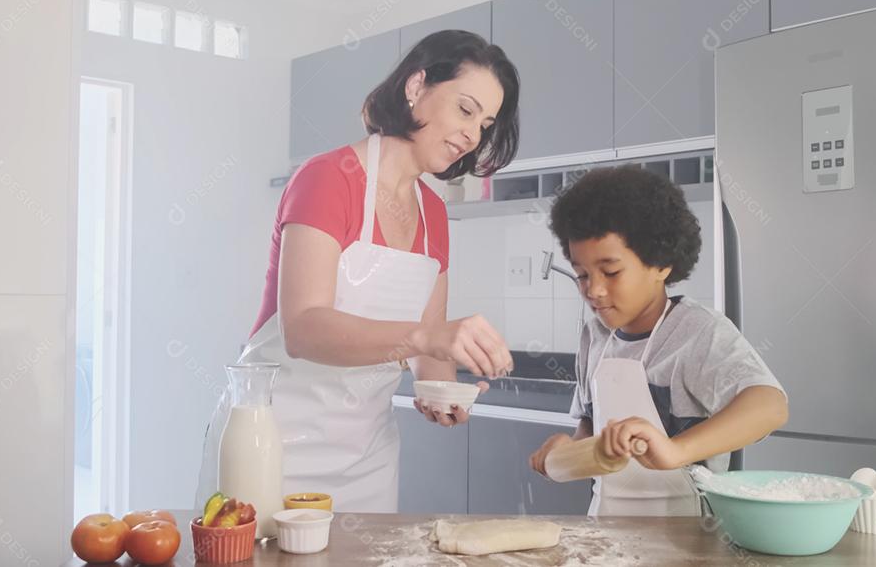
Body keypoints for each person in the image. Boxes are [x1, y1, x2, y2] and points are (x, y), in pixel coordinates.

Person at [199, 30, 521, 513]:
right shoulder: (328, 178)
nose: (474, 135)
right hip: (269, 445)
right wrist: (429, 339)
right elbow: (304, 329)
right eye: (466, 109)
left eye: (487, 123)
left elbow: (428, 349)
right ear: (416, 86)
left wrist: (443, 392)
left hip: (365, 458)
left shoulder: (434, 215)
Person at [528, 165, 789, 516]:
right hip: (608, 533)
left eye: (611, 271)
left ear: (662, 263)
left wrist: (675, 450)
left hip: (688, 540)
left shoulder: (697, 331)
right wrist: (567, 454)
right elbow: (593, 429)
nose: (594, 290)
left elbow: (770, 406)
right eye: (582, 274)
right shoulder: (595, 336)